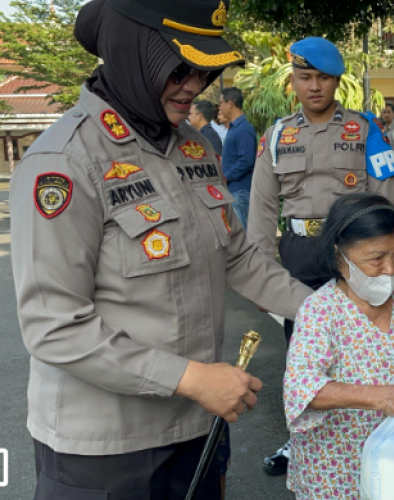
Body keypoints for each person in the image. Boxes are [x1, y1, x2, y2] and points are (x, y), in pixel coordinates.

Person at [9, 1, 312, 498]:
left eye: (203, 71)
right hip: (107, 449)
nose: (193, 85)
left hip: (197, 425)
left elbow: (237, 257)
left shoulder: (192, 146)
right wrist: (191, 378)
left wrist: (328, 311)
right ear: (133, 56)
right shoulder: (63, 162)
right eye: (179, 68)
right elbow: (53, 324)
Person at [247, 36, 394, 475]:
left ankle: (368, 435)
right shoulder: (277, 135)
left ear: (337, 81)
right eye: (304, 76)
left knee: (361, 344)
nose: (314, 86)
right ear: (292, 80)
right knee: (302, 349)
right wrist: (261, 270)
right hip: (298, 251)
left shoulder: (367, 130)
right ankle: (300, 441)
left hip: (351, 251)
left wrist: (386, 258)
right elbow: (261, 208)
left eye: (323, 77)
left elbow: (387, 195)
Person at [284, 192, 394, 499]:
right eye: (376, 258)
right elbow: (301, 387)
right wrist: (382, 397)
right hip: (336, 470)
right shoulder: (321, 311)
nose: (391, 269)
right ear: (340, 256)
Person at [219, 86, 256, 229]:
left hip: (240, 191)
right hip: (234, 190)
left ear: (230, 104)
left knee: (244, 236)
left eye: (221, 103)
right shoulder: (234, 128)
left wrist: (226, 176)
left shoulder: (243, 129)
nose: (220, 108)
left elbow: (246, 160)